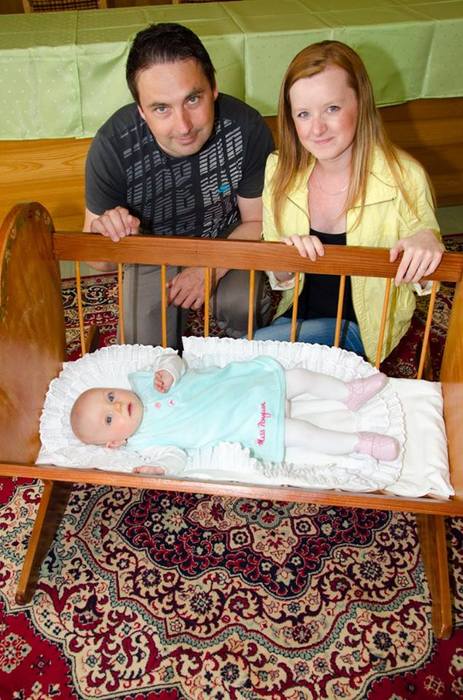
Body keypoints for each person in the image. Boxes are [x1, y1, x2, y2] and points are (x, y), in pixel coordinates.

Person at [84, 23, 274, 348]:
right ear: (141, 111)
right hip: (151, 248)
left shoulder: (247, 126)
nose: (183, 126)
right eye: (161, 108)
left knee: (243, 306)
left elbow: (256, 222)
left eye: (193, 99)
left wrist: (210, 268)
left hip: (225, 238)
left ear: (214, 88)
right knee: (143, 347)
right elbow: (97, 261)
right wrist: (112, 236)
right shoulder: (112, 143)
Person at [254, 40, 444, 363]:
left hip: (365, 329)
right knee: (262, 363)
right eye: (303, 114)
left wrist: (428, 246)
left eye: (332, 108)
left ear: (361, 102)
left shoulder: (404, 176)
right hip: (295, 314)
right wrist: (284, 262)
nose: (317, 128)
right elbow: (280, 277)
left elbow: (428, 279)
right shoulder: (279, 169)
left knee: (257, 349)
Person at [70, 352, 400, 471]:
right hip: (249, 424)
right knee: (303, 433)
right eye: (110, 418)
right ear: (114, 443)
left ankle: (348, 393)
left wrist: (168, 371)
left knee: (298, 376)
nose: (117, 404)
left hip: (248, 388)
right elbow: (176, 458)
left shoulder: (146, 380)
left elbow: (173, 360)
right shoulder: (147, 443)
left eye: (110, 396)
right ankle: (360, 443)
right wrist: (161, 469)